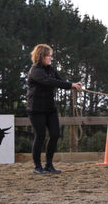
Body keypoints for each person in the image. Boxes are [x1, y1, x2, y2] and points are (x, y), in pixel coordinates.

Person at [26, 44, 82, 174]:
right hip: (36, 109)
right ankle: (37, 167)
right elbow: (49, 81)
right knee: (40, 136)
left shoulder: (51, 69)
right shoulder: (35, 71)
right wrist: (71, 85)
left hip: (50, 108)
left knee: (55, 134)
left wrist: (74, 85)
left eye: (51, 55)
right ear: (41, 56)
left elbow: (60, 81)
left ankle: (49, 164)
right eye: (48, 55)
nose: (51, 58)